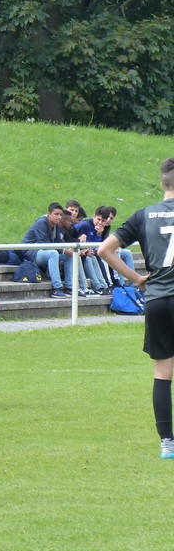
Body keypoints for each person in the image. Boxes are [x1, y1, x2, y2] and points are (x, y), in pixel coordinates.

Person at [97, 157, 174, 459]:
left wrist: (137, 279)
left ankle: (167, 443)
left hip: (157, 300)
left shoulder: (143, 215)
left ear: (162, 182)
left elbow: (105, 250)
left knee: (162, 374)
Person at [21, 202, 68, 298]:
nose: (59, 217)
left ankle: (71, 286)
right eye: (56, 214)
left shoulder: (55, 224)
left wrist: (69, 249)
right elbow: (43, 244)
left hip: (42, 251)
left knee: (71, 255)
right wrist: (63, 250)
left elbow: (58, 241)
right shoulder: (41, 222)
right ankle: (57, 288)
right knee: (53, 253)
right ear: (49, 213)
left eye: (60, 215)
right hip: (31, 252)